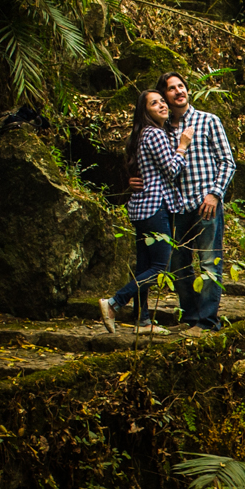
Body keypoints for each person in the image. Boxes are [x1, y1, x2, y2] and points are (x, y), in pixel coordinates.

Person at [102, 90, 193, 335]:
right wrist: (183, 146)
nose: (162, 105)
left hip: (142, 209)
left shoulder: (144, 134)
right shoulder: (154, 133)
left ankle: (142, 322)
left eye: (162, 101)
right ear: (146, 112)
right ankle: (114, 303)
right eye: (155, 103)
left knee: (144, 267)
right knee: (160, 267)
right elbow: (172, 169)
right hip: (155, 208)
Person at [155, 72, 235, 334]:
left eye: (181, 86)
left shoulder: (208, 121)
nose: (178, 91)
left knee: (210, 262)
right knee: (178, 265)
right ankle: (190, 318)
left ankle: (207, 321)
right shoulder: (161, 130)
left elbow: (227, 161)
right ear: (164, 96)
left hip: (206, 206)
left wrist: (215, 193)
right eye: (171, 88)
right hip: (175, 208)